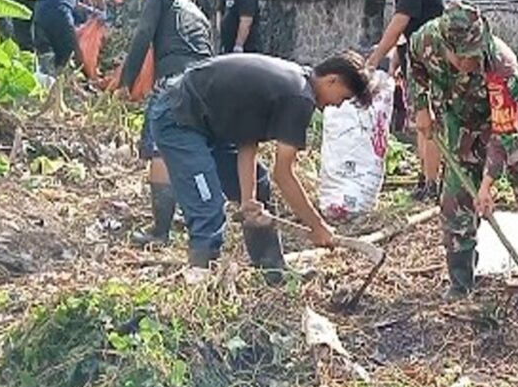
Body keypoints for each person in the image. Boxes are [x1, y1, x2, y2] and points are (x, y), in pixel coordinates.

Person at [408, 0, 518, 298]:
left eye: (473, 56)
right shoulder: (426, 39)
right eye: (461, 58)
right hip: (461, 122)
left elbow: (504, 132)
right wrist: (421, 107)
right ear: (445, 45)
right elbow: (415, 66)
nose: (468, 64)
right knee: (455, 205)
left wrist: (488, 185)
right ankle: (460, 286)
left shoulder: (500, 64)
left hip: (510, 127)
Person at [147, 51, 372, 269]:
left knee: (259, 180)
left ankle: (270, 268)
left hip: (206, 121)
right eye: (343, 97)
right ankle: (200, 285)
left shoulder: (295, 83)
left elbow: (247, 139)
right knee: (208, 210)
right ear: (333, 80)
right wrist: (317, 226)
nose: (338, 105)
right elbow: (283, 175)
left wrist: (249, 200)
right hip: (179, 117)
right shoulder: (299, 96)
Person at [120, 0, 214, 247]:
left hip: (174, 84)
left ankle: (160, 231)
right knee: (193, 153)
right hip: (205, 87)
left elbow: (143, 35)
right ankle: (199, 220)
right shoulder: (202, 17)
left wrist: (127, 80)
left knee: (161, 150)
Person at [365, 0, 446, 202]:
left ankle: (433, 184)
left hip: (431, 62)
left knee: (429, 123)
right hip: (419, 59)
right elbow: (408, 29)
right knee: (420, 123)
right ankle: (425, 180)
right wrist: (395, 62)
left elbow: (400, 22)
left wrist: (375, 57)